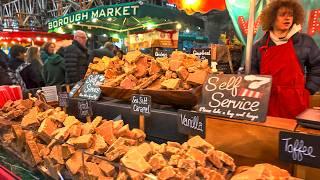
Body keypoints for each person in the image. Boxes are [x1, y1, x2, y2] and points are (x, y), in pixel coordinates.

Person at [251, 0, 320, 119]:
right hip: (267, 102)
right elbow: (251, 71)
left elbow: (317, 67)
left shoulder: (305, 41)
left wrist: (309, 89)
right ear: (272, 18)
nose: (287, 18)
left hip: (296, 101)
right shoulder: (259, 46)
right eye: (282, 14)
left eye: (290, 15)